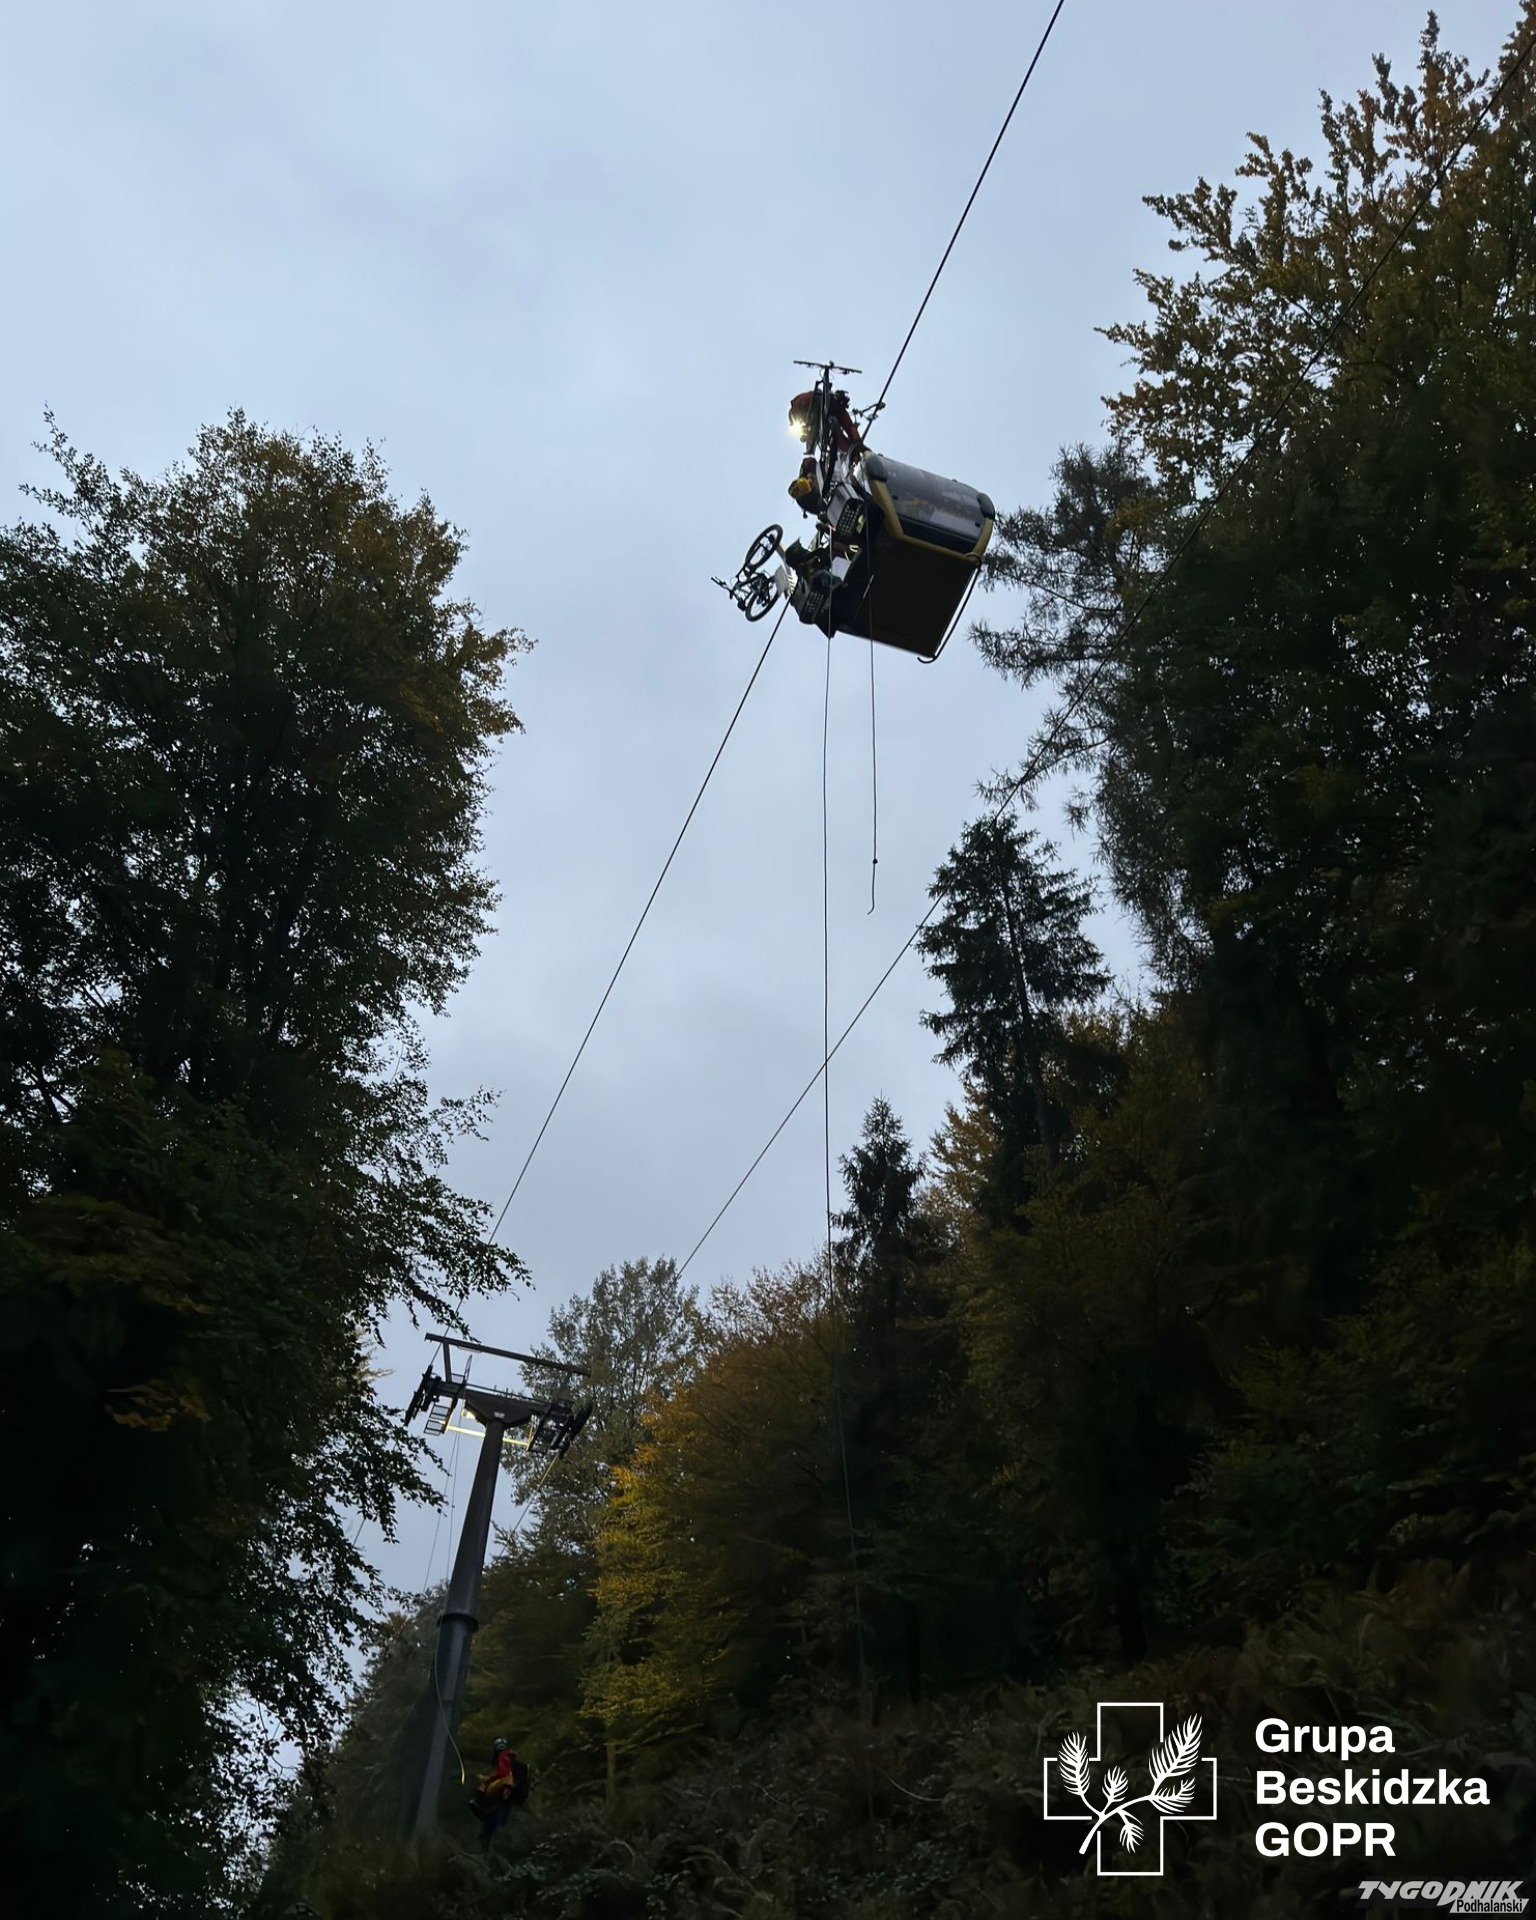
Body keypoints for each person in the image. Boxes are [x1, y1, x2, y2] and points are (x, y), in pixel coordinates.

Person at [469, 1736, 530, 1842]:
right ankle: (490, 1836)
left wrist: (487, 1780)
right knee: (499, 1817)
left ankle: (489, 1837)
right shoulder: (513, 1762)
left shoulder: (503, 1759)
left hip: (506, 1792)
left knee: (496, 1817)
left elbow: (502, 1774)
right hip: (511, 1794)